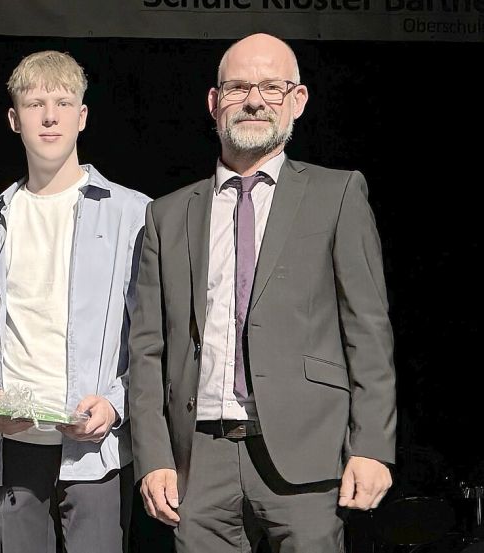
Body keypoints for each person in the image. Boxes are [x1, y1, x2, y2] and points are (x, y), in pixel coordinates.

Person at [129, 33, 396, 552]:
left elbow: (368, 329)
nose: (254, 100)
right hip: (198, 461)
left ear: (297, 100)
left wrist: (372, 446)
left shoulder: (337, 195)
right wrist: (155, 455)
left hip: (307, 455)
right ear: (213, 103)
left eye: (272, 87)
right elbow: (146, 349)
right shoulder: (167, 214)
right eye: (238, 87)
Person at [0, 50, 151, 553]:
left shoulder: (133, 214)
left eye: (64, 102)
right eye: (35, 103)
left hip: (97, 445)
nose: (49, 116)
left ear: (82, 116)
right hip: (14, 444)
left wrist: (116, 402)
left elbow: (156, 336)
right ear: (13, 119)